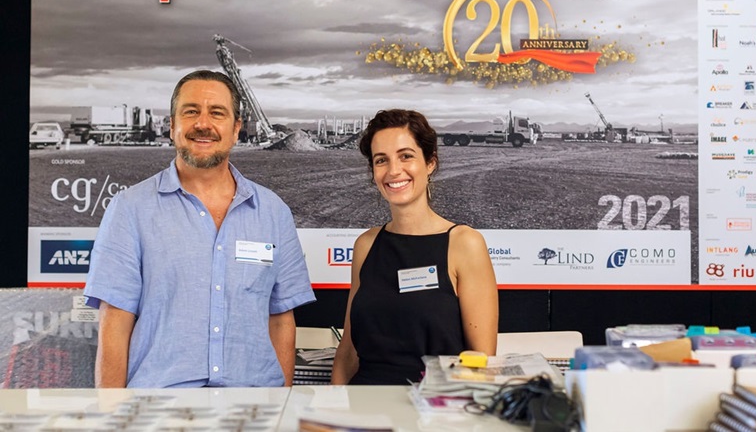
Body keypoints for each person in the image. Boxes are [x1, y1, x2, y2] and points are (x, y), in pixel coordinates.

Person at [84, 69, 315, 388]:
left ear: (236, 129)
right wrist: (110, 417)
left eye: (217, 113)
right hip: (158, 412)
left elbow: (281, 319)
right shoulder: (130, 209)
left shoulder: (273, 212)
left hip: (252, 410)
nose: (203, 124)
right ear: (172, 126)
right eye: (191, 111)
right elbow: (114, 323)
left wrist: (280, 411)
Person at [331, 109, 498, 385]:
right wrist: (331, 415)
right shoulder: (366, 245)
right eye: (381, 160)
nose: (393, 170)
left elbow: (481, 361)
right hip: (363, 413)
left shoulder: (464, 244)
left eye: (406, 156)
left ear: (430, 162)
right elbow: (348, 352)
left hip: (434, 413)